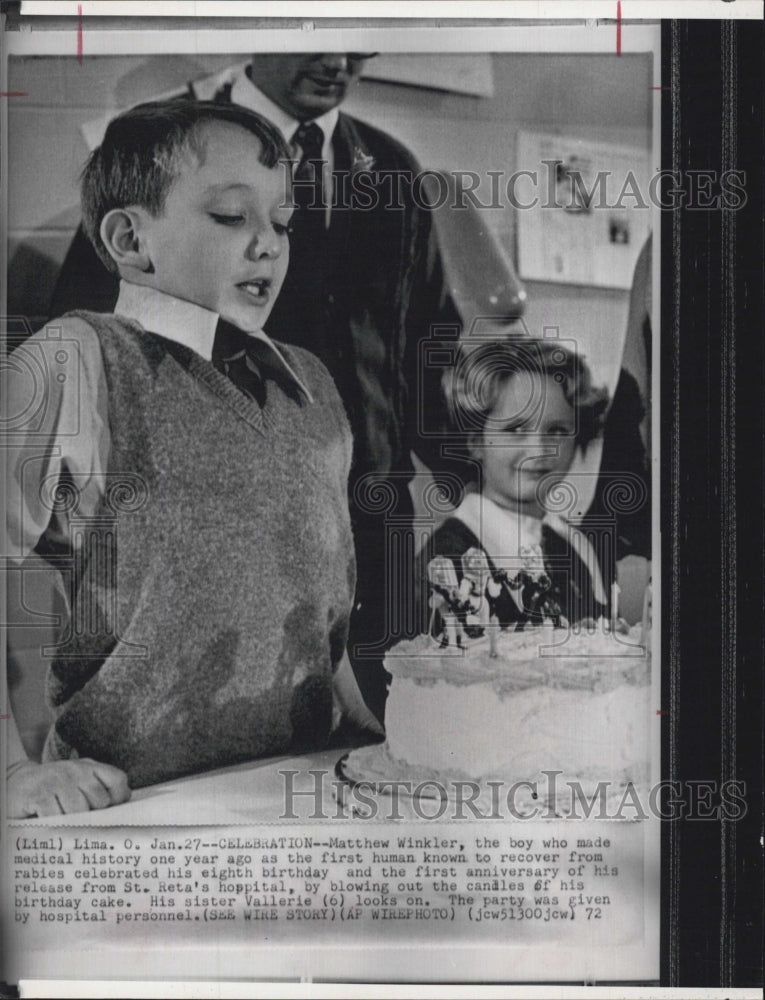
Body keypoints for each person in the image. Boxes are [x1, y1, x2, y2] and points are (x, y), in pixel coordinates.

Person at [47, 54, 464, 721]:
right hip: (189, 543)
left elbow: (428, 341)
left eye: (283, 223)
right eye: (229, 217)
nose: (337, 60)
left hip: (364, 518)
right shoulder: (160, 152)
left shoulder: (391, 167)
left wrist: (477, 488)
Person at [6, 99, 379, 819]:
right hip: (131, 805)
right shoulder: (72, 358)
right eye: (231, 217)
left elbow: (318, 612)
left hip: (302, 787)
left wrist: (378, 720)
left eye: (282, 223)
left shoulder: (313, 383)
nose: (268, 246)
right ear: (130, 239)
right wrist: (12, 772)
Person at [413, 337, 614, 635]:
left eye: (557, 431)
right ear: (476, 441)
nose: (538, 449)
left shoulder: (576, 546)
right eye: (516, 428)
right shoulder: (445, 559)